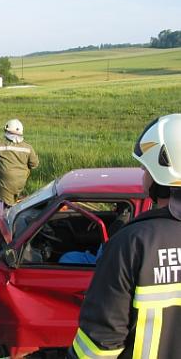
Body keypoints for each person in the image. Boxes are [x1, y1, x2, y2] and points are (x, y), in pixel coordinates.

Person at [69, 114, 181, 358]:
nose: (142, 174)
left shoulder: (132, 244)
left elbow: (98, 347)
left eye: (145, 168)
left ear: (162, 176)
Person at [0, 119, 39, 207]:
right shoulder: (28, 148)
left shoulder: (0, 145)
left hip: (5, 184)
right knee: (14, 202)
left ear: (7, 131)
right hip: (20, 183)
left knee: (5, 207)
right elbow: (34, 164)